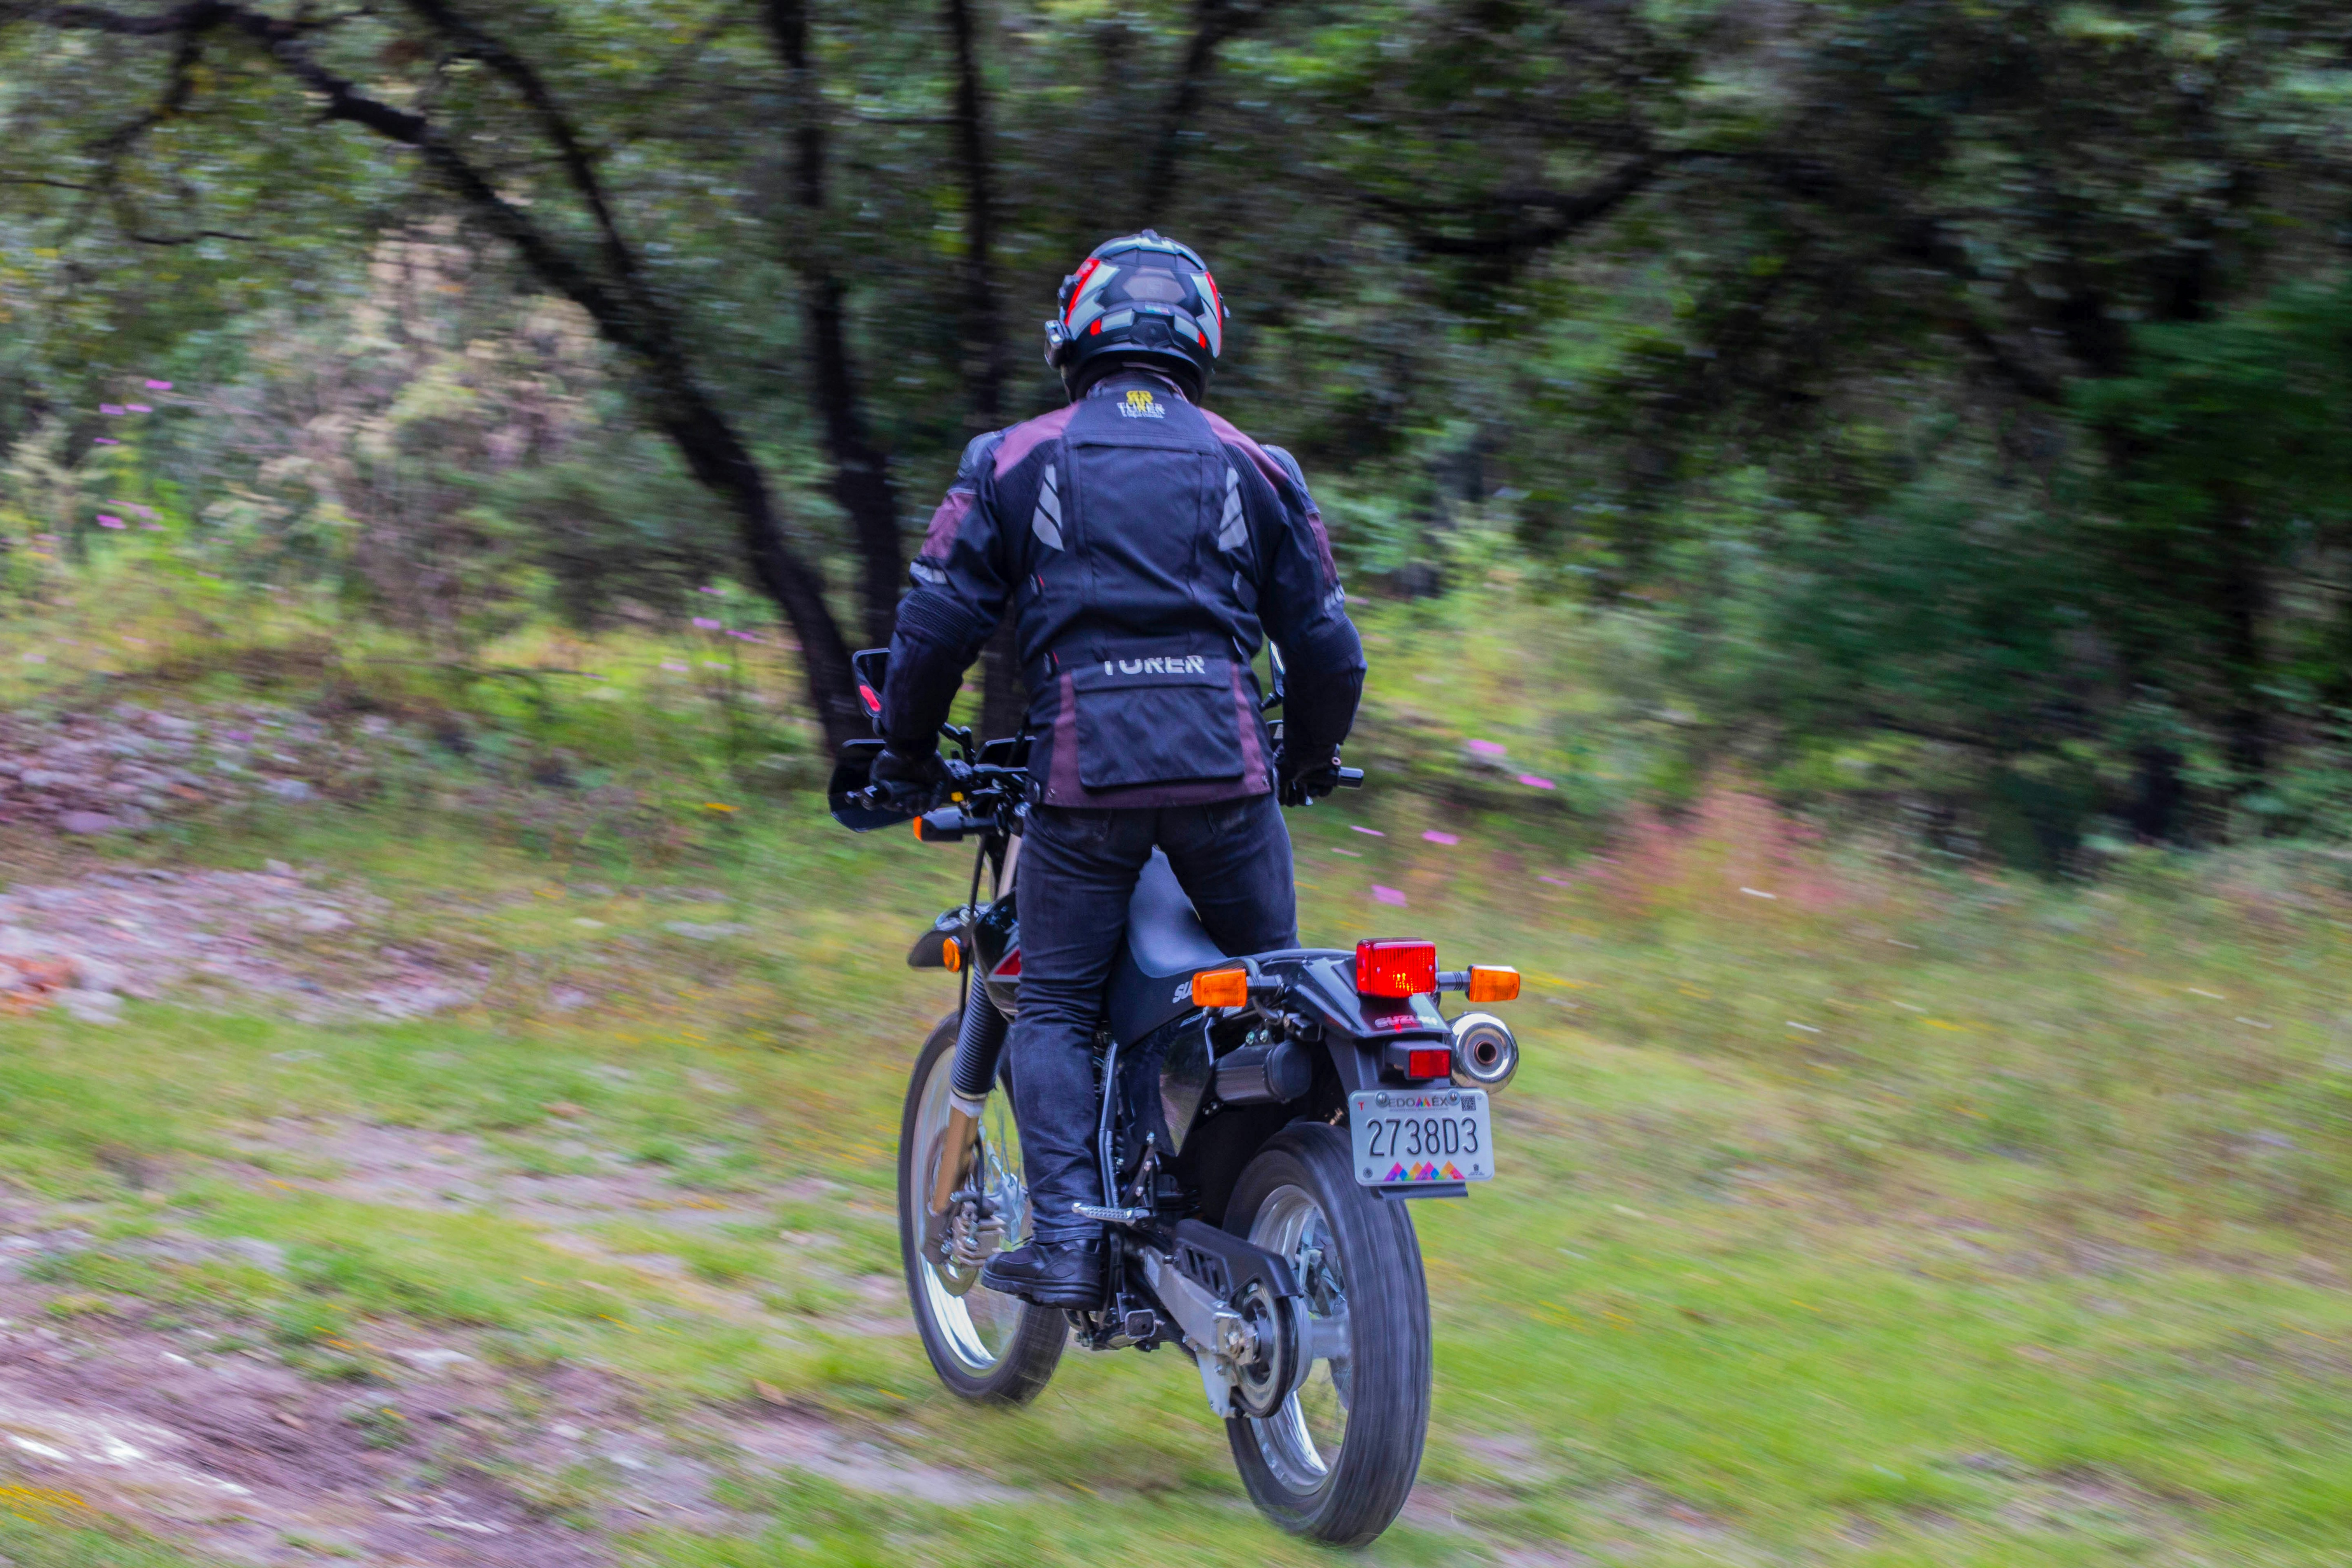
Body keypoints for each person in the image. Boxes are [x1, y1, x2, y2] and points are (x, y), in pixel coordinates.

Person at [872, 231, 1365, 1309]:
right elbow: (1328, 647)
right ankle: (1262, 1215)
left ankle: (1070, 1245)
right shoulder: (1260, 467)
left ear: (1077, 333)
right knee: (1274, 995)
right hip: (1229, 783)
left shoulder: (1013, 458)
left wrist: (904, 752)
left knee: (1050, 1006)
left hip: (1085, 785)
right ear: (1202, 337)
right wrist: (1309, 758)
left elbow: (934, 621)